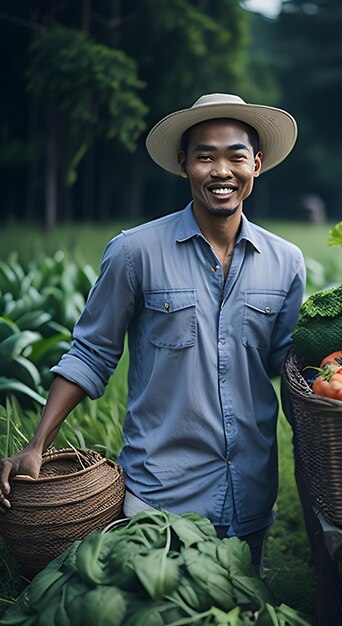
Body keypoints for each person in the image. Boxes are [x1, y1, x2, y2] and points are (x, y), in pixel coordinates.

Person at [0, 93, 306, 571]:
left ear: (257, 164)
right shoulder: (134, 252)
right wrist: (37, 444)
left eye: (235, 155)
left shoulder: (287, 262)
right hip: (163, 492)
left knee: (241, 609)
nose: (221, 170)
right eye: (205, 156)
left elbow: (286, 366)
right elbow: (91, 353)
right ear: (184, 165)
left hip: (250, 489)